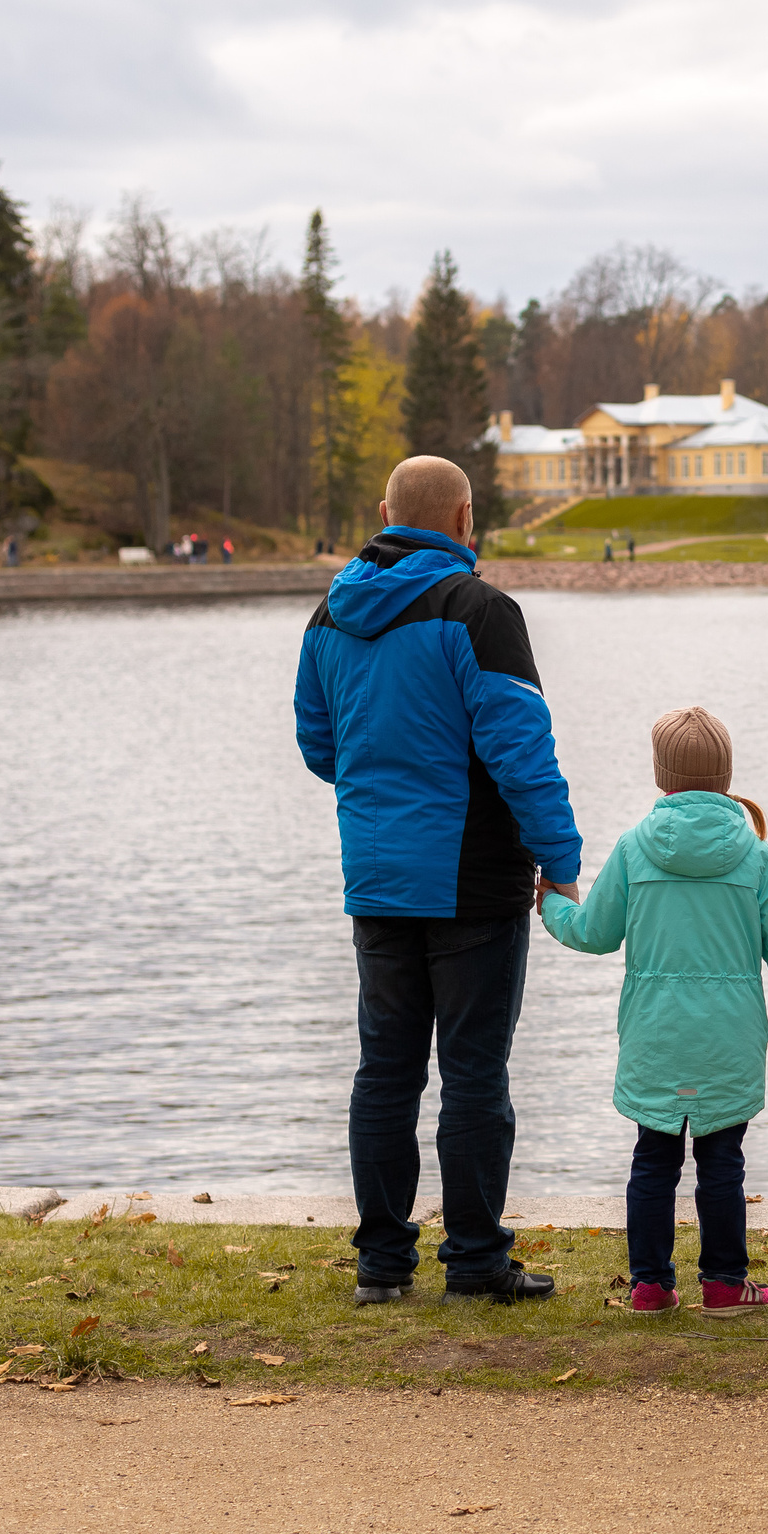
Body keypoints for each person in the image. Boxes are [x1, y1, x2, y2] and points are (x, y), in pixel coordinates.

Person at [295, 456, 583, 1307]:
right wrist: (560, 862)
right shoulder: (479, 610)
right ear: (465, 517)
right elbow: (522, 753)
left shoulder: (330, 614)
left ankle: (381, 1266)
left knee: (384, 1072)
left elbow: (321, 748)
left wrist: (385, 784)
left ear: (385, 512)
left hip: (378, 878)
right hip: (472, 879)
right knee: (473, 1074)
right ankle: (474, 1263)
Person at [537, 707, 768, 1319]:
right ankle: (723, 1284)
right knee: (723, 1162)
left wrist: (552, 907)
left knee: (653, 1159)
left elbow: (591, 933)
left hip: (656, 1035)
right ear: (725, 776)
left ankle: (650, 1286)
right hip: (728, 1040)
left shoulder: (633, 850)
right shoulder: (756, 858)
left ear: (661, 775)